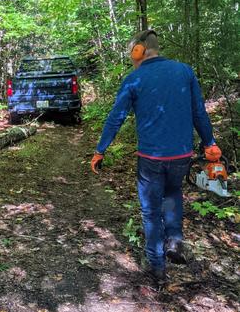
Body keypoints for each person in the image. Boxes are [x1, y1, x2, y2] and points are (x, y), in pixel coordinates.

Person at [90, 29, 222, 282]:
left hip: (150, 159)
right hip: (181, 156)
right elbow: (199, 113)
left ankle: (157, 268)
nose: (131, 56)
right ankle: (174, 242)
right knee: (172, 194)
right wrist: (210, 143)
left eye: (132, 51)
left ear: (138, 50)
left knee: (151, 211)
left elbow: (116, 117)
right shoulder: (185, 71)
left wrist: (100, 150)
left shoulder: (135, 79)